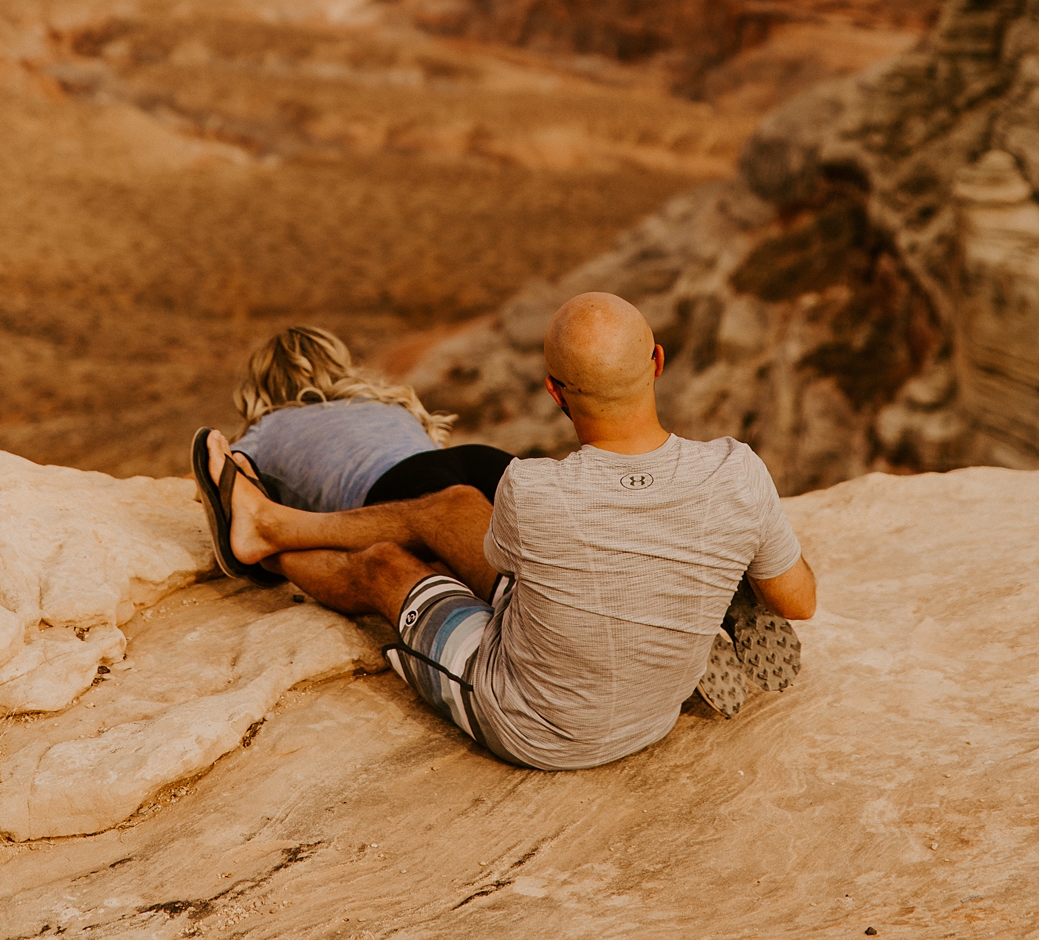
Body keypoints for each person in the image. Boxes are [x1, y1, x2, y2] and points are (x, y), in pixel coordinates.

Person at [193, 293, 816, 769]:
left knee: (389, 563)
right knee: (455, 502)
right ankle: (689, 588)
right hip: (651, 715)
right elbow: (800, 602)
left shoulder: (534, 487)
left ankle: (265, 547)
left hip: (531, 725)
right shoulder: (740, 470)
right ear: (657, 362)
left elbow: (494, 568)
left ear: (554, 392)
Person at [192, 324, 513, 585]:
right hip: (473, 460)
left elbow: (217, 480)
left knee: (463, 568)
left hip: (400, 489)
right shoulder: (386, 400)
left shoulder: (267, 429)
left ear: (262, 384)